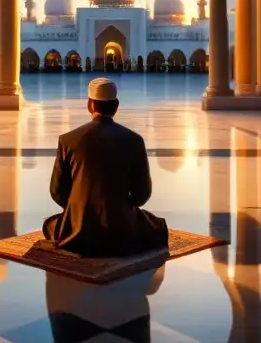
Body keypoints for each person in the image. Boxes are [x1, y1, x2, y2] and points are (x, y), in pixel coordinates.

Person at [41, 78, 169, 257]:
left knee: (51, 225)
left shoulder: (68, 140)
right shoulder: (134, 140)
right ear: (116, 106)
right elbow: (142, 195)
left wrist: (80, 209)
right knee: (157, 227)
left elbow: (57, 192)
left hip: (79, 229)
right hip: (122, 228)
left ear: (89, 105)